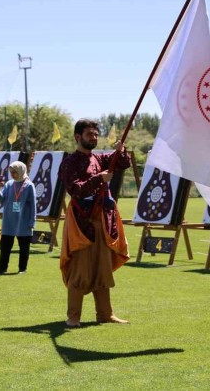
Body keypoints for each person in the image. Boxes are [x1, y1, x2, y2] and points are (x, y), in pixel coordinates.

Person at [58, 118, 131, 327]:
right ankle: (73, 317)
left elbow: (122, 162)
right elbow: (75, 189)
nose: (94, 138)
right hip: (83, 223)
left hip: (103, 221)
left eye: (96, 134)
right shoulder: (70, 162)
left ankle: (105, 314)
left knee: (102, 268)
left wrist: (121, 150)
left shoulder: (98, 158)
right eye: (90, 134)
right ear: (77, 136)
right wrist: (100, 179)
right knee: (80, 270)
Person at [0, 161, 36, 274]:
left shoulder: (29, 185)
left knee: (24, 248)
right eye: (11, 172)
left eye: (15, 172)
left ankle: (22, 269)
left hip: (23, 221)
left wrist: (32, 221)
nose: (12, 174)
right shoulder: (8, 184)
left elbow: (33, 206)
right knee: (5, 247)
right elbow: (0, 200)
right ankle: (2, 268)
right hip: (8, 221)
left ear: (21, 171)